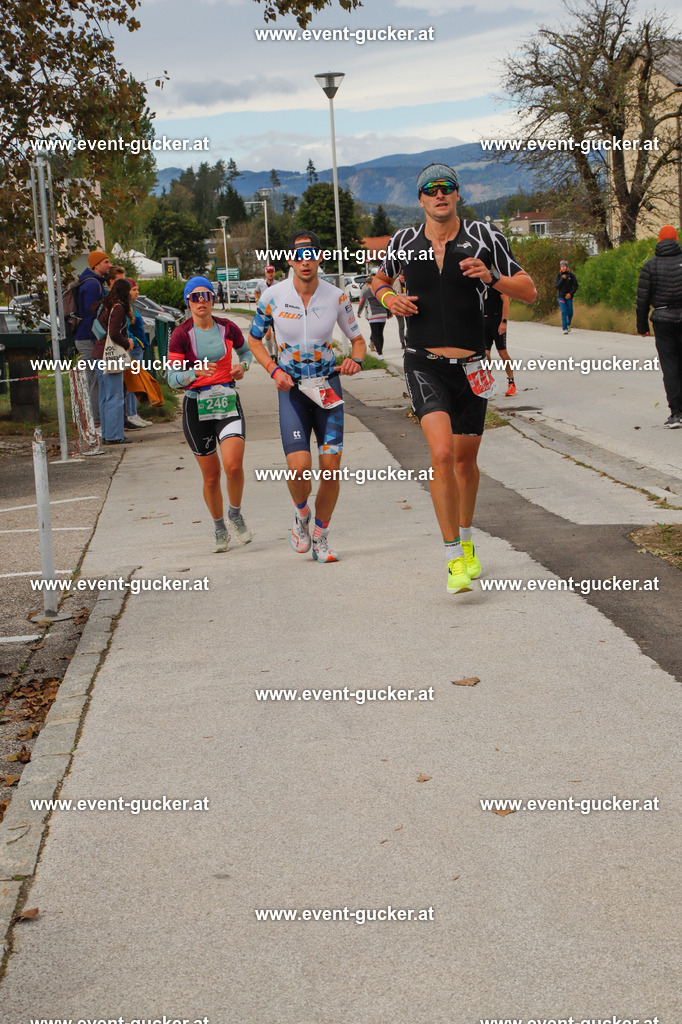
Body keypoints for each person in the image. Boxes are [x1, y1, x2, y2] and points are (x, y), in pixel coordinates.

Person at [371, 163, 536, 594]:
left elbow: (529, 290)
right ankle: (452, 559)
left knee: (465, 462)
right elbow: (379, 280)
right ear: (421, 199)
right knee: (441, 453)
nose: (439, 195)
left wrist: (493, 277)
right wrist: (390, 297)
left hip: (473, 366)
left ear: (457, 195)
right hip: (423, 362)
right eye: (430, 189)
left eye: (447, 188)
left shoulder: (486, 238)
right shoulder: (405, 241)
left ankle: (466, 539)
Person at [248, 230, 367, 563]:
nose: (305, 261)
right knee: (298, 467)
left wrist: (355, 359)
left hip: (327, 387)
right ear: (290, 260)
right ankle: (302, 517)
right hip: (293, 391)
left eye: (311, 254)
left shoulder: (336, 296)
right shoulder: (271, 296)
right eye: (299, 255)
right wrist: (274, 370)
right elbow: (254, 340)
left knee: (330, 469)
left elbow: (358, 341)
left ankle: (321, 536)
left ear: (320, 258)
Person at [167, 276, 254, 552]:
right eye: (195, 297)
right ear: (188, 302)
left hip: (226, 399)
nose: (201, 301)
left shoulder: (227, 328)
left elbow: (247, 353)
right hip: (196, 405)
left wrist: (244, 367)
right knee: (212, 476)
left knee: (233, 465)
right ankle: (219, 528)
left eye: (206, 295)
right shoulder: (181, 334)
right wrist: (194, 373)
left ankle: (235, 514)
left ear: (213, 299)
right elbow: (171, 378)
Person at [636, 225, 682, 428]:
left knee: (670, 366)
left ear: (658, 241)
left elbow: (642, 299)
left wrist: (642, 326)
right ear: (677, 240)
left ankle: (676, 413)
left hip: (662, 321)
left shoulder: (650, 266)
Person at [94, 277, 134, 445]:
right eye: (131, 290)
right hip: (110, 356)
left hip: (98, 353)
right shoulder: (118, 308)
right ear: (125, 292)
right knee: (115, 397)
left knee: (104, 397)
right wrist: (127, 343)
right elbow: (114, 333)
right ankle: (115, 435)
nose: (132, 293)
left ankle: (106, 433)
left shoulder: (105, 305)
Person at [75, 250, 111, 432]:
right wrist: (98, 335)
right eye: (106, 262)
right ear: (96, 265)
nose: (109, 265)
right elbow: (91, 313)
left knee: (97, 378)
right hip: (88, 338)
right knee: (95, 379)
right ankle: (96, 422)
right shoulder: (92, 286)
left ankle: (98, 419)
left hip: (89, 337)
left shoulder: (95, 283)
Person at [124, 279, 153, 428]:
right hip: (134, 348)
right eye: (134, 289)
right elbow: (127, 328)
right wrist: (135, 341)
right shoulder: (125, 308)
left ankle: (134, 412)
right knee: (132, 382)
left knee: (136, 381)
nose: (137, 292)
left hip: (138, 347)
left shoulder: (131, 307)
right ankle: (131, 414)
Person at [484, 284, 516, 396]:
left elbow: (506, 301)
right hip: (484, 322)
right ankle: (487, 384)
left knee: (502, 352)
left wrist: (504, 321)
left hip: (497, 321)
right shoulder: (477, 282)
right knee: (485, 355)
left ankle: (511, 382)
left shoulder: (495, 281)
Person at [358, 276, 387, 355]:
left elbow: (362, 303)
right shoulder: (379, 291)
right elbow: (385, 301)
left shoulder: (367, 293)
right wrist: (389, 313)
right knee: (380, 334)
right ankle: (381, 350)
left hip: (373, 315)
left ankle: (380, 354)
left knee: (375, 335)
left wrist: (358, 312)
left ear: (367, 284)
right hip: (383, 315)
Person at [254, 265, 277, 358]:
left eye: (272, 272)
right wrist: (256, 299)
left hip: (276, 311)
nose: (270, 274)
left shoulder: (278, 284)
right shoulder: (261, 284)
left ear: (274, 273)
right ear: (265, 274)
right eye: (268, 272)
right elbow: (256, 292)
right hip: (265, 312)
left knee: (276, 337)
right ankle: (271, 354)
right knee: (267, 335)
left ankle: (276, 354)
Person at [554, 260, 579, 334]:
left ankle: (568, 324)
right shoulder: (558, 276)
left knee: (570, 312)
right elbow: (556, 286)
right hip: (561, 296)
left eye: (564, 266)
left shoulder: (571, 275)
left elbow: (576, 286)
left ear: (567, 267)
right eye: (562, 266)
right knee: (564, 312)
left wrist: (570, 294)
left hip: (568, 296)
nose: (563, 268)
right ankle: (564, 328)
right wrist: (562, 278)